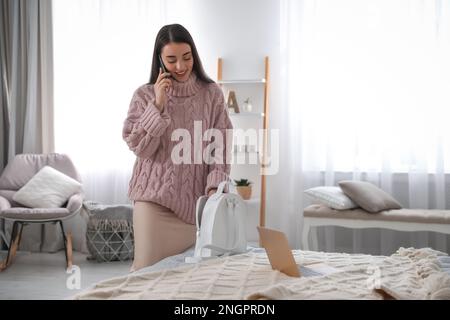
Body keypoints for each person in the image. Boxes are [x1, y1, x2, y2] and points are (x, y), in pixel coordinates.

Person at [122, 24, 233, 272]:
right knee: (146, 274)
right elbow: (139, 147)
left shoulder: (212, 93)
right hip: (153, 203)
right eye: (171, 59)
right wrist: (158, 105)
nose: (181, 66)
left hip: (196, 207)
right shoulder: (144, 95)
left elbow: (222, 143)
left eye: (187, 57)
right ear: (159, 59)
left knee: (186, 280)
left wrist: (215, 186)